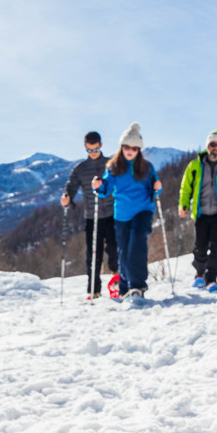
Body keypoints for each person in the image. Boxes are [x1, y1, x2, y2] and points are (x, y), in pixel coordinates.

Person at [92, 123, 162, 302]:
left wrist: (157, 188)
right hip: (122, 214)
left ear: (139, 149)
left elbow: (155, 189)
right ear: (121, 147)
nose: (130, 151)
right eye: (126, 147)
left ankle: (137, 286)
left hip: (143, 210)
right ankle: (124, 288)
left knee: (136, 243)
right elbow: (106, 189)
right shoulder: (114, 167)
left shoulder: (147, 167)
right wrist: (98, 187)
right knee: (123, 251)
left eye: (134, 148)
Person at [60, 131, 119, 299]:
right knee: (93, 255)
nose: (92, 153)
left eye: (95, 149)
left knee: (115, 250)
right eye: (89, 150)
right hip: (92, 217)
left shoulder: (110, 165)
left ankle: (118, 283)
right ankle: (94, 290)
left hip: (112, 214)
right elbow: (70, 186)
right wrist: (67, 198)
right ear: (85, 148)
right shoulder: (80, 169)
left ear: (100, 145)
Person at [177, 130, 217, 292]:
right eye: (212, 144)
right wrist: (183, 205)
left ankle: (212, 279)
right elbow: (185, 187)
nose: (215, 148)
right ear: (207, 146)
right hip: (201, 213)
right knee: (200, 247)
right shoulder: (195, 166)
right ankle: (199, 274)